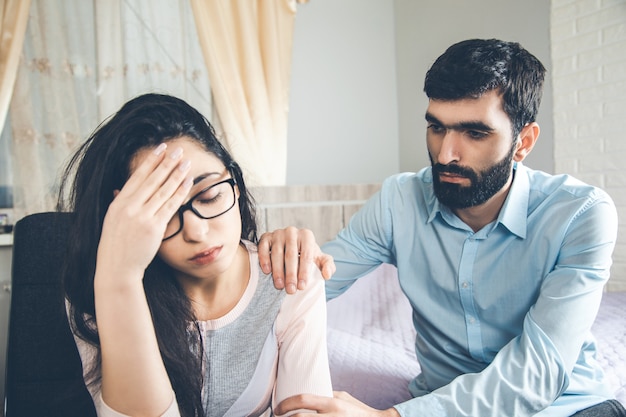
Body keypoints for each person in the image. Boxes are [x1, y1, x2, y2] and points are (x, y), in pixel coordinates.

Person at [258, 39, 626, 416]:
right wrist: (276, 260)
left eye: (475, 133)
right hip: (437, 400)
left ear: (523, 143)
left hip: (569, 406)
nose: (446, 153)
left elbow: (538, 374)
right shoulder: (398, 200)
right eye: (436, 127)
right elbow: (311, 284)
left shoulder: (580, 214)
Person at [57, 93, 332, 417]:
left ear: (235, 184)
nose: (197, 232)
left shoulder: (290, 275)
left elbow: (307, 410)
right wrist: (119, 279)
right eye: (165, 212)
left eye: (210, 195)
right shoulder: (100, 289)